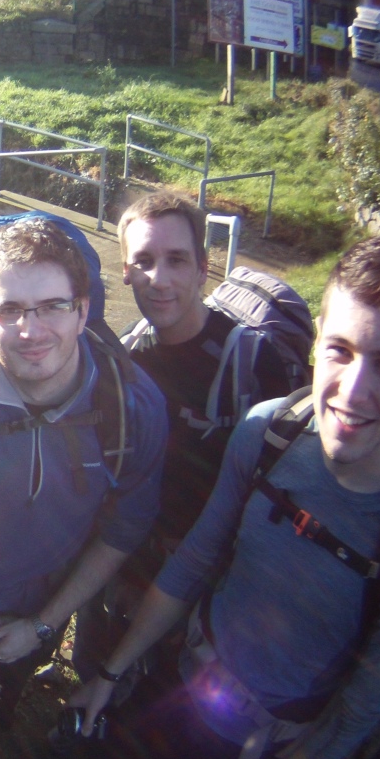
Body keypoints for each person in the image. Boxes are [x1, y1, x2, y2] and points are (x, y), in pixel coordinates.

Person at [71, 236, 380, 759]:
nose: (354, 391)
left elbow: (368, 696)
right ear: (318, 344)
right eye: (341, 350)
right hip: (181, 679)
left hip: (265, 747)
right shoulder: (270, 430)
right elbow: (197, 557)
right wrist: (112, 671)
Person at [0, 216, 166, 759]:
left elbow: (124, 530)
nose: (31, 329)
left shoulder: (131, 407)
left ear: (83, 310)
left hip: (46, 599)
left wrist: (40, 626)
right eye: (11, 310)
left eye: (52, 306)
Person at [72, 194, 296, 682]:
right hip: (125, 555)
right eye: (144, 262)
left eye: (177, 260)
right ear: (126, 272)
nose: (160, 278)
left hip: (206, 574)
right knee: (92, 671)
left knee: (162, 703)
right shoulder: (125, 355)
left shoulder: (253, 364)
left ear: (203, 268)